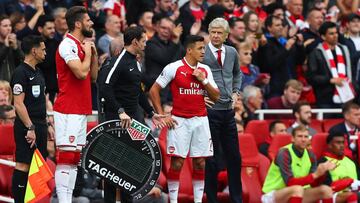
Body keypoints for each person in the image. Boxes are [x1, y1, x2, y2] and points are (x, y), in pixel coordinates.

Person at [149, 35, 220, 203]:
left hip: (201, 120)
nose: (203, 51)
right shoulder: (174, 68)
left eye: (204, 48)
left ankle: (197, 200)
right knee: (177, 162)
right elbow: (153, 90)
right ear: (189, 50)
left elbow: (216, 96)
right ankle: (173, 200)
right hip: (179, 121)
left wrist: (203, 80)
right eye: (200, 48)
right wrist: (161, 114)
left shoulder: (205, 70)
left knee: (200, 162)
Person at [97, 26, 164, 202]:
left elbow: (137, 91)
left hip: (132, 121)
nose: (146, 44)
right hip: (115, 121)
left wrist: (151, 112)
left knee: (129, 169)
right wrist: (120, 111)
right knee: (111, 170)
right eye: (144, 41)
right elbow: (104, 87)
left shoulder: (135, 61)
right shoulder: (118, 62)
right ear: (135, 42)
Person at [53, 6, 98, 202]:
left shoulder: (81, 46)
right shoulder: (67, 45)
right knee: (66, 157)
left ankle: (67, 199)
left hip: (80, 108)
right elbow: (80, 72)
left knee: (74, 159)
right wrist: (87, 54)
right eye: (88, 20)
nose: (92, 23)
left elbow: (92, 77)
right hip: (67, 108)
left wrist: (93, 55)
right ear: (78, 23)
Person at [202, 17, 242, 203]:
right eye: (213, 32)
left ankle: (237, 199)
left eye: (219, 33)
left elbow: (237, 73)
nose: (216, 36)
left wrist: (236, 91)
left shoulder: (232, 52)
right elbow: (190, 75)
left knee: (234, 156)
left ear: (226, 35)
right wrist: (199, 96)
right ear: (209, 33)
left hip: (228, 111)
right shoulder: (201, 52)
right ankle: (211, 199)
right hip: (210, 111)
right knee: (212, 158)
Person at [10, 35, 54, 202]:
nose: (45, 52)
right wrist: (30, 127)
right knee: (24, 164)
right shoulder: (20, 73)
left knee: (37, 166)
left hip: (40, 125)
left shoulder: (38, 71)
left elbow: (41, 100)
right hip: (27, 126)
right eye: (43, 49)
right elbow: (19, 104)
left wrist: (48, 123)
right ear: (34, 51)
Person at [262, 125, 336, 203]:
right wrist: (316, 174)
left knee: (326, 190)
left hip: (297, 192)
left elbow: (312, 182)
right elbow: (290, 182)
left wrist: (323, 172)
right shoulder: (284, 153)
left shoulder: (311, 155)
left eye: (306, 137)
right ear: (292, 139)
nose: (303, 139)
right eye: (300, 136)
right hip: (273, 195)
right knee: (297, 189)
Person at [307, 21, 353, 108]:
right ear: (323, 36)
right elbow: (311, 77)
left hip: (345, 96)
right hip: (325, 98)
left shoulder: (344, 50)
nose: (335, 36)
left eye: (336, 33)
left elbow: (350, 72)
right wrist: (330, 80)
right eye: (331, 34)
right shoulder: (316, 53)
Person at [317, 131, 360, 202]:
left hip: (354, 193)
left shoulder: (351, 161)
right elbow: (326, 188)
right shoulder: (323, 162)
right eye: (338, 143)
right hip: (334, 195)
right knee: (352, 196)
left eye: (343, 142)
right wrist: (348, 182)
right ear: (329, 145)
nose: (342, 145)